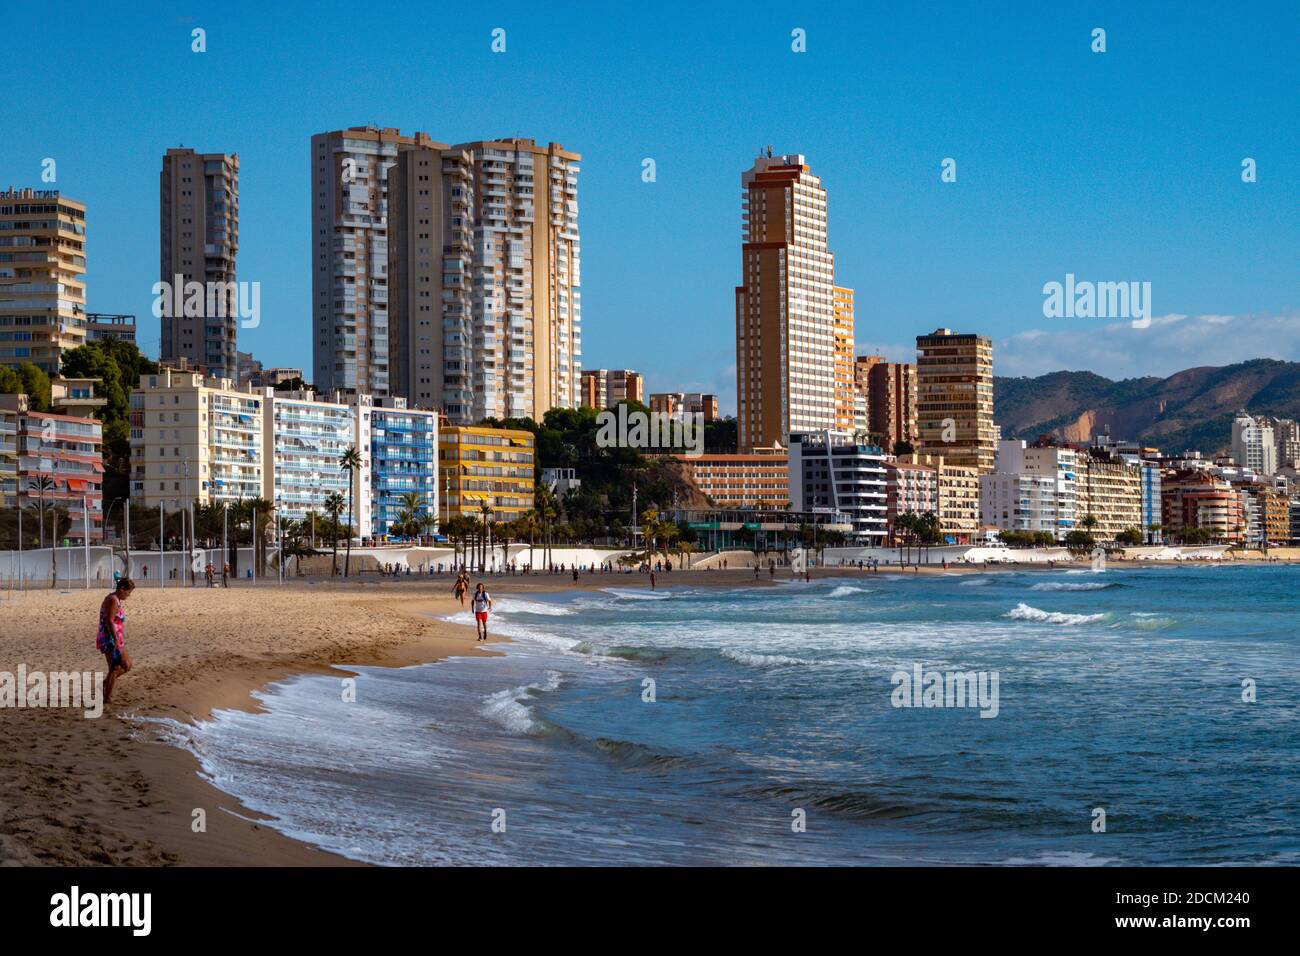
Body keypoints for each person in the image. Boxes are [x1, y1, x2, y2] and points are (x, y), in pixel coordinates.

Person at [97, 578, 135, 705]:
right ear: (121, 589)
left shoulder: (117, 599)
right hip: (109, 638)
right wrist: (116, 641)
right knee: (115, 668)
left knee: (127, 665)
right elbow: (109, 620)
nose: (129, 595)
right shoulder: (112, 599)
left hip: (116, 638)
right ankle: (107, 699)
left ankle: (106, 683)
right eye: (128, 592)